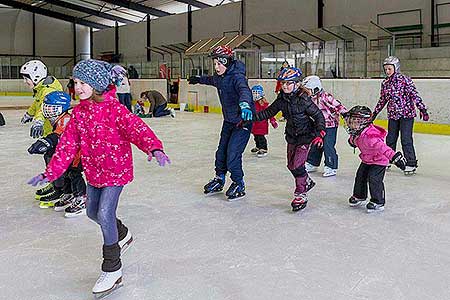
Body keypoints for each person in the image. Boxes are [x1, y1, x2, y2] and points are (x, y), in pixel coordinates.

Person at [27, 59, 171, 297]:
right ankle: (122, 233)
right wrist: (50, 172)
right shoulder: (78, 115)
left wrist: (154, 148)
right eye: (75, 82)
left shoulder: (115, 110)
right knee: (93, 212)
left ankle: (112, 269)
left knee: (104, 213)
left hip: (116, 170)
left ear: (97, 84)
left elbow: (137, 129)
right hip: (94, 172)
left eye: (83, 82)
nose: (78, 87)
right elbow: (67, 146)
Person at [188, 45, 254, 201]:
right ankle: (219, 178)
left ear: (227, 62)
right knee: (221, 152)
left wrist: (245, 104)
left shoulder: (237, 77)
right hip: (229, 121)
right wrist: (199, 79)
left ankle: (238, 183)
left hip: (242, 122)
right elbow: (211, 80)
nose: (216, 67)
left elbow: (245, 91)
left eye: (219, 63)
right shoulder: (220, 77)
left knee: (233, 154)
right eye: (215, 63)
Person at [254, 67, 325, 212]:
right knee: (291, 165)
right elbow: (268, 112)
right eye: (283, 83)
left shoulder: (304, 99)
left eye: (288, 83)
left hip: (306, 136)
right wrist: (250, 119)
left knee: (297, 165)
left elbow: (318, 116)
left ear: (297, 84)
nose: (284, 86)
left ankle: (301, 193)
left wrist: (319, 132)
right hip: (292, 136)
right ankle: (307, 181)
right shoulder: (282, 99)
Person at [27, 91, 87, 217]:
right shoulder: (57, 118)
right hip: (67, 153)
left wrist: (47, 142)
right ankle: (69, 193)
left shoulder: (66, 119)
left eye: (51, 107)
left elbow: (60, 134)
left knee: (74, 174)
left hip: (78, 153)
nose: (48, 110)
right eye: (46, 106)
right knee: (65, 173)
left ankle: (82, 198)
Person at [372, 56, 429, 175]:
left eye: (389, 69)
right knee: (391, 138)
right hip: (393, 115)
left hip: (406, 115)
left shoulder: (404, 80)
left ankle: (411, 163)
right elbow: (383, 100)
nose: (387, 71)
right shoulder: (385, 83)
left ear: (396, 68)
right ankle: (388, 158)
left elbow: (414, 95)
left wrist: (422, 109)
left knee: (406, 139)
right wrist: (375, 113)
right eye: (386, 69)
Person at [345, 106, 407, 212]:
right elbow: (355, 141)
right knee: (360, 176)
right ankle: (359, 195)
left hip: (379, 161)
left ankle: (378, 201)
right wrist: (352, 141)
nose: (353, 124)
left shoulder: (371, 137)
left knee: (374, 179)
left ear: (364, 122)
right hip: (367, 159)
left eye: (357, 121)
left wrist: (395, 157)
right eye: (352, 120)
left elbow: (384, 148)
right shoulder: (357, 133)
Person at [20, 59, 64, 201]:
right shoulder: (41, 89)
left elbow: (43, 108)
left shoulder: (48, 91)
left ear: (36, 77)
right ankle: (54, 183)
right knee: (49, 158)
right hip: (49, 131)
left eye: (26, 78)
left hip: (55, 132)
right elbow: (37, 104)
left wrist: (38, 120)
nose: (25, 82)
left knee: (53, 159)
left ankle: (60, 188)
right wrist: (29, 114)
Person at [302, 75, 348, 177]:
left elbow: (338, 106)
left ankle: (331, 166)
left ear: (315, 88)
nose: (305, 92)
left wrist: (345, 115)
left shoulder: (325, 97)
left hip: (330, 126)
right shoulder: (308, 99)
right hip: (318, 126)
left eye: (307, 90)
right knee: (315, 144)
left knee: (328, 145)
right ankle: (312, 163)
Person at [250, 85, 278, 157]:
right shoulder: (251, 103)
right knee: (256, 136)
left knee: (261, 137)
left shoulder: (264, 104)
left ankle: (263, 148)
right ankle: (258, 146)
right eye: (254, 93)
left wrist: (273, 121)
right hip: (254, 124)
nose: (255, 95)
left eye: (257, 93)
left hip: (262, 124)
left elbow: (270, 113)